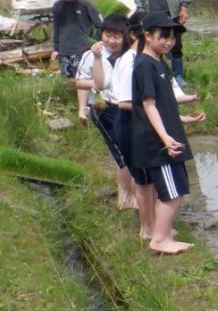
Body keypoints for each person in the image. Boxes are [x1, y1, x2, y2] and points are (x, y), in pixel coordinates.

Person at [129, 12, 205, 254]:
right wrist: (166, 139)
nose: (169, 42)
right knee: (173, 192)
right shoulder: (144, 65)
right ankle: (160, 239)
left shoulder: (159, 64)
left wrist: (183, 118)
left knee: (174, 189)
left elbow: (162, 105)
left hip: (166, 137)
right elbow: (148, 105)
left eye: (172, 38)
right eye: (164, 37)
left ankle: (162, 232)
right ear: (148, 36)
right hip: (159, 142)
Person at [78, 14, 140, 209]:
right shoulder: (92, 55)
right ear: (101, 34)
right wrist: (82, 108)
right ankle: (127, 197)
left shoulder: (131, 55)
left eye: (117, 36)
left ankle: (132, 196)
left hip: (128, 109)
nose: (112, 41)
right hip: (104, 108)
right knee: (123, 155)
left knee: (130, 152)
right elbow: (80, 82)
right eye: (108, 35)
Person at [51, 0, 102, 121]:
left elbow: (101, 25)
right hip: (65, 50)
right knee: (73, 80)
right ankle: (86, 106)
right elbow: (56, 27)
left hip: (82, 51)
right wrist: (56, 48)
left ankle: (89, 109)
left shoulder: (86, 5)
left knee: (82, 80)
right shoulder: (58, 6)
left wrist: (91, 42)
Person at [138, 0, 192, 86]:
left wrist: (184, 6)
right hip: (150, 12)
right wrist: (140, 8)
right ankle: (155, 74)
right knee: (152, 45)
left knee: (175, 44)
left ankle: (178, 75)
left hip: (172, 12)